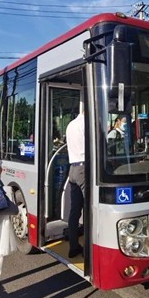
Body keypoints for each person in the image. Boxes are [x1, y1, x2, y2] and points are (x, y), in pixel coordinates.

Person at [65, 110, 85, 258]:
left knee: (75, 210)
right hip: (84, 169)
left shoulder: (71, 124)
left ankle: (73, 246)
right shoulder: (87, 124)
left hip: (72, 169)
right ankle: (89, 250)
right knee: (90, 210)